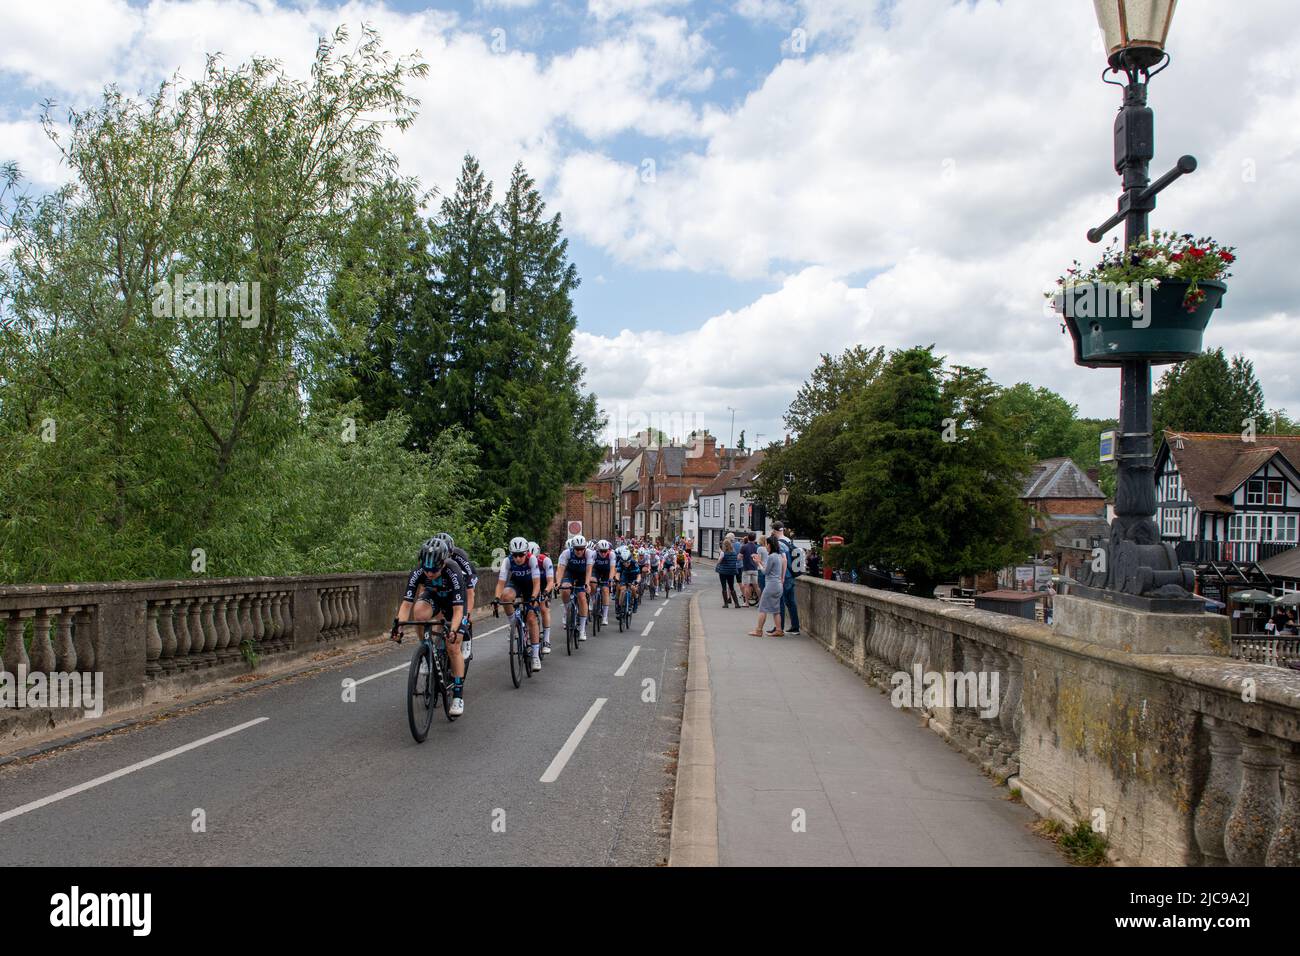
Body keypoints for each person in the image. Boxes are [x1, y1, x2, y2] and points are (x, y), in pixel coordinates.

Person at [391, 537, 470, 715]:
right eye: (426, 570)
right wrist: (398, 626)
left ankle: (458, 696)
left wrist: (454, 630)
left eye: (434, 570)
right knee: (419, 613)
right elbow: (406, 605)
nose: (429, 574)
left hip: (454, 604)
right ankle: (426, 648)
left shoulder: (453, 571)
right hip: (434, 597)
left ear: (443, 563)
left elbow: (459, 611)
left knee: (453, 645)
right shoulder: (419, 571)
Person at [495, 535, 544, 670]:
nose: (518, 558)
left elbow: (537, 583)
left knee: (531, 618)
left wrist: (534, 597)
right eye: (515, 555)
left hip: (531, 586)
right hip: (516, 583)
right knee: (505, 596)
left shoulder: (532, 559)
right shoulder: (507, 561)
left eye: (521, 555)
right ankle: (513, 623)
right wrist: (496, 598)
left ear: (526, 553)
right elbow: (501, 583)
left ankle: (535, 656)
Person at [557, 534, 594, 640]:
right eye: (577, 549)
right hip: (570, 574)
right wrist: (558, 583)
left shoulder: (588, 554)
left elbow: (589, 570)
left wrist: (587, 584)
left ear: (585, 548)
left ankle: (582, 630)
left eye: (581, 549)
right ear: (573, 548)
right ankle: (566, 609)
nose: (579, 551)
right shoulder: (566, 553)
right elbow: (561, 569)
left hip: (583, 575)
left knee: (582, 597)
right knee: (565, 590)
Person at [749, 534, 786, 637]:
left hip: (771, 585)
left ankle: (759, 630)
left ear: (769, 545)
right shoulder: (778, 556)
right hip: (778, 585)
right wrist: (760, 561)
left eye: (766, 544)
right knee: (776, 609)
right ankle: (779, 630)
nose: (766, 546)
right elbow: (771, 569)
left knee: (762, 608)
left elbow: (765, 572)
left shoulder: (771, 556)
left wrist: (758, 563)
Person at [770, 522, 801, 635]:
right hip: (791, 575)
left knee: (780, 602)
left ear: (775, 530)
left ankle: (779, 627)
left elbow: (782, 560)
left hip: (783, 575)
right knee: (791, 602)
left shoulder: (778, 543)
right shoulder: (788, 540)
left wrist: (780, 576)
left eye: (773, 530)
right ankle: (795, 626)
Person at [717, 537, 741, 607]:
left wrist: (720, 555)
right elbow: (735, 561)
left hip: (723, 572)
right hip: (731, 571)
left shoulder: (723, 553)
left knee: (724, 587)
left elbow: (719, 562)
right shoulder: (734, 553)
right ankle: (736, 604)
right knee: (731, 587)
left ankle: (726, 604)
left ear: (724, 545)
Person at [739, 532, 759, 605]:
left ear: (748, 537)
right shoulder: (757, 547)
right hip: (755, 569)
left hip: (746, 569)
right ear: (755, 538)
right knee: (756, 586)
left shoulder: (744, 546)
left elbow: (739, 557)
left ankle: (746, 602)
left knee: (746, 586)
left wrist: (743, 557)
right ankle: (760, 602)